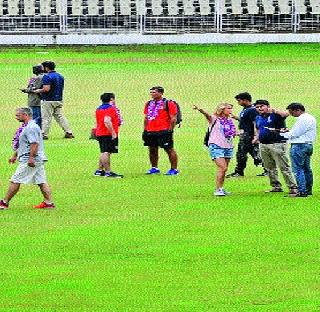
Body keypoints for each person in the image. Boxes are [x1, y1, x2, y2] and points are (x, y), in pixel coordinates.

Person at [0, 107, 55, 210]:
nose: (16, 117)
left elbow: (34, 143)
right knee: (41, 181)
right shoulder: (27, 126)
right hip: (35, 158)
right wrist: (15, 155)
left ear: (25, 115)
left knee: (15, 180)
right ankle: (48, 203)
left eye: (18, 115)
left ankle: (4, 202)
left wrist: (31, 158)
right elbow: (24, 144)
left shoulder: (31, 128)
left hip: (30, 159)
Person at [253, 100, 297, 195]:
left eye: (262, 106)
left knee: (283, 166)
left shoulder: (275, 115)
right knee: (269, 167)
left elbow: (286, 114)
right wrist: (256, 137)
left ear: (268, 106)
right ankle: (276, 186)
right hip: (263, 145)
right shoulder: (258, 117)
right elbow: (257, 128)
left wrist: (273, 110)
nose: (259, 108)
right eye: (257, 107)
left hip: (277, 144)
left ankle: (292, 187)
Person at [193, 103, 236, 196]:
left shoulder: (229, 120)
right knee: (222, 167)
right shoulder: (215, 119)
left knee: (225, 169)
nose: (230, 110)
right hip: (216, 146)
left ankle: (221, 188)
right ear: (222, 109)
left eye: (231, 108)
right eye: (228, 108)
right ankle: (217, 189)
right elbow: (207, 115)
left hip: (228, 146)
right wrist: (200, 109)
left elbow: (231, 133)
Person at [279, 103, 316, 197]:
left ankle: (302, 191)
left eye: (292, 112)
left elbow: (295, 133)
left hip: (299, 145)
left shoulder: (302, 119)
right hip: (308, 144)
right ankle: (308, 190)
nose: (291, 114)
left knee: (298, 169)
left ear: (297, 110)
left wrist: (281, 134)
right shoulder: (310, 117)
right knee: (307, 169)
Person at [33, 61, 74, 140]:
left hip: (48, 100)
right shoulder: (60, 76)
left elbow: (46, 89)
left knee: (46, 118)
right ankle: (68, 132)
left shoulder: (47, 76)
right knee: (60, 116)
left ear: (46, 68)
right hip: (58, 99)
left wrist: (37, 91)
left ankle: (44, 134)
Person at [143, 86, 179, 175]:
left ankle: (174, 169)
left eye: (154, 92)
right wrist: (145, 129)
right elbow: (146, 117)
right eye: (151, 92)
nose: (152, 94)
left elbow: (173, 118)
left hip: (164, 130)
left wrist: (170, 129)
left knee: (169, 149)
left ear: (161, 93)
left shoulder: (168, 103)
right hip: (150, 130)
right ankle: (154, 168)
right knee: (152, 149)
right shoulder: (148, 103)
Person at [227, 92, 264, 177]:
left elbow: (255, 123)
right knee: (254, 153)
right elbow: (245, 121)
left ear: (246, 100)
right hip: (245, 134)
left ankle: (239, 172)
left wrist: (255, 136)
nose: (238, 102)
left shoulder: (252, 110)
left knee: (242, 153)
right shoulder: (246, 109)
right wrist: (235, 117)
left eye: (239, 100)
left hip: (248, 135)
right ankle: (267, 170)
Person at [93, 93, 123, 178]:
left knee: (103, 151)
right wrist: (113, 133)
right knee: (107, 152)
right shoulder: (111, 109)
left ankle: (99, 170)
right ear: (112, 99)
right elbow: (107, 121)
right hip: (107, 133)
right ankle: (108, 172)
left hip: (100, 132)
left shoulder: (99, 108)